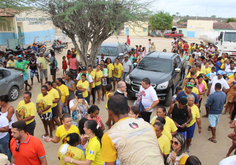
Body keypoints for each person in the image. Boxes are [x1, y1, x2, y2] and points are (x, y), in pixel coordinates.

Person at [100, 95, 164, 164]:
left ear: (109, 112)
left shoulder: (110, 135)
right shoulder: (148, 126)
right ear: (129, 109)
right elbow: (160, 155)